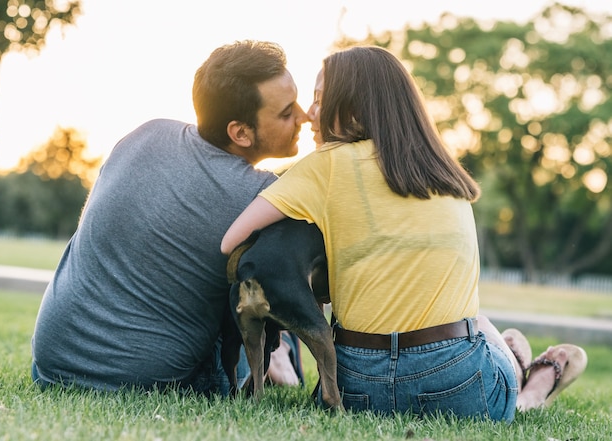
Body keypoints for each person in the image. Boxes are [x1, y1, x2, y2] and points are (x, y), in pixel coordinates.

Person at [221, 45, 587, 421]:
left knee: (481, 332)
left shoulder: (322, 166)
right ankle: (524, 378)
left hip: (359, 387)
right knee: (481, 325)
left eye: (319, 101)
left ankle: (520, 371)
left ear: (352, 107)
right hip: (459, 388)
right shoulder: (444, 171)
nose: (309, 115)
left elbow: (231, 240)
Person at [31, 40, 309, 395]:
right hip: (151, 385)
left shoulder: (144, 133)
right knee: (266, 302)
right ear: (240, 132)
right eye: (287, 113)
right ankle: (280, 356)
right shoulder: (261, 198)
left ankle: (280, 354)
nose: (302, 116)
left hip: (51, 366)